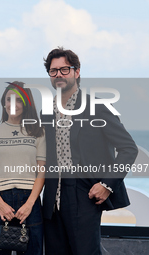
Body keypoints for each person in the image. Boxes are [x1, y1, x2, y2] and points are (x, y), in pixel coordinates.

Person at [41, 47, 138, 255]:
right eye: (53, 70)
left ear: (77, 72)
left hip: (83, 194)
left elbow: (128, 148)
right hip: (51, 200)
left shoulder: (98, 107)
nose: (58, 74)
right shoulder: (46, 111)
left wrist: (107, 184)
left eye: (64, 69)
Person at [0, 81, 46, 255]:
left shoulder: (39, 132)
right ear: (4, 103)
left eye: (18, 100)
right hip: (0, 202)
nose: (13, 104)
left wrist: (30, 204)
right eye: (9, 99)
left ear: (26, 104)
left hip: (30, 203)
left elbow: (42, 171)